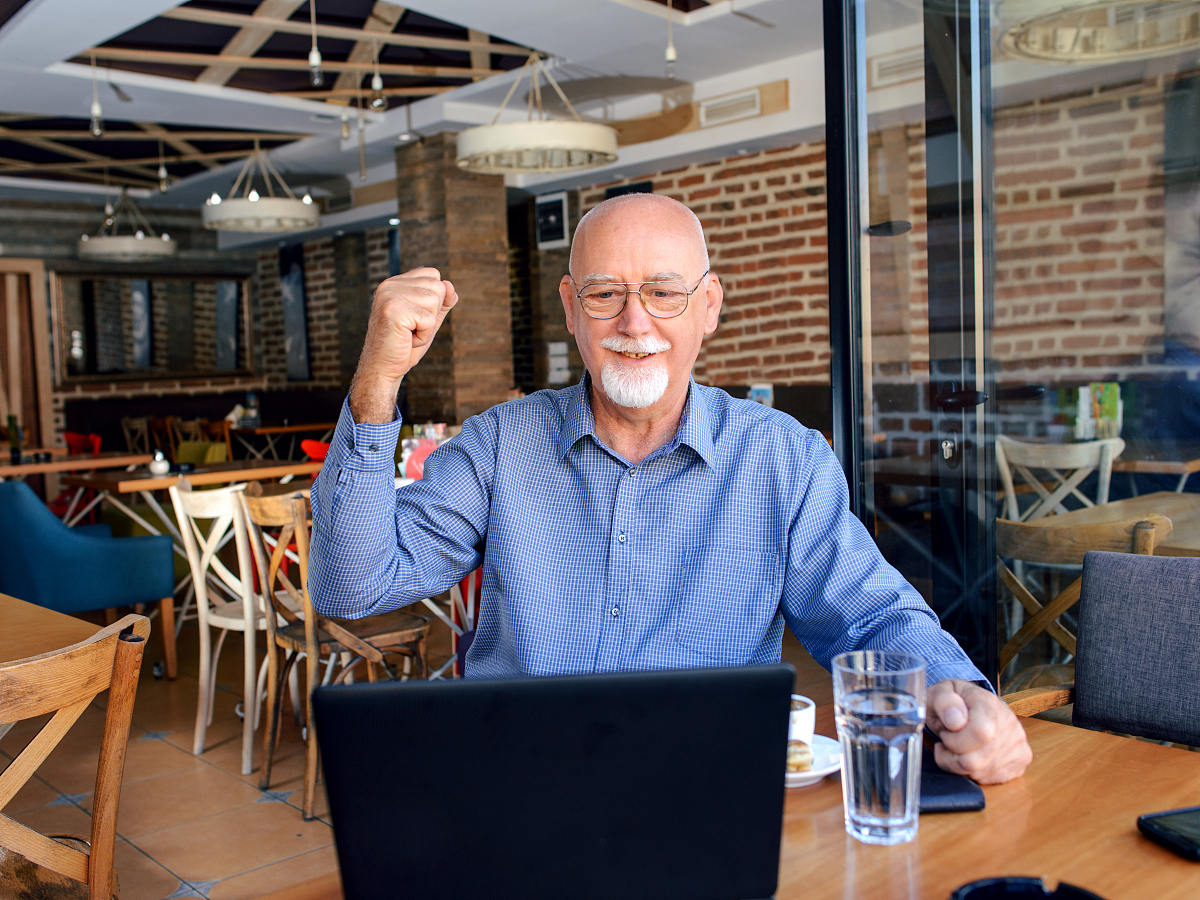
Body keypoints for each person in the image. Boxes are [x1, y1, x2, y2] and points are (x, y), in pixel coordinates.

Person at [310, 193, 1032, 785]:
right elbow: (351, 587)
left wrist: (958, 694)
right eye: (604, 294)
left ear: (708, 306)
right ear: (570, 307)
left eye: (663, 292)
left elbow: (872, 618)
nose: (635, 322)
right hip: (518, 786)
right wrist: (379, 379)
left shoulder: (783, 458)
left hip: (711, 792)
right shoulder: (500, 444)